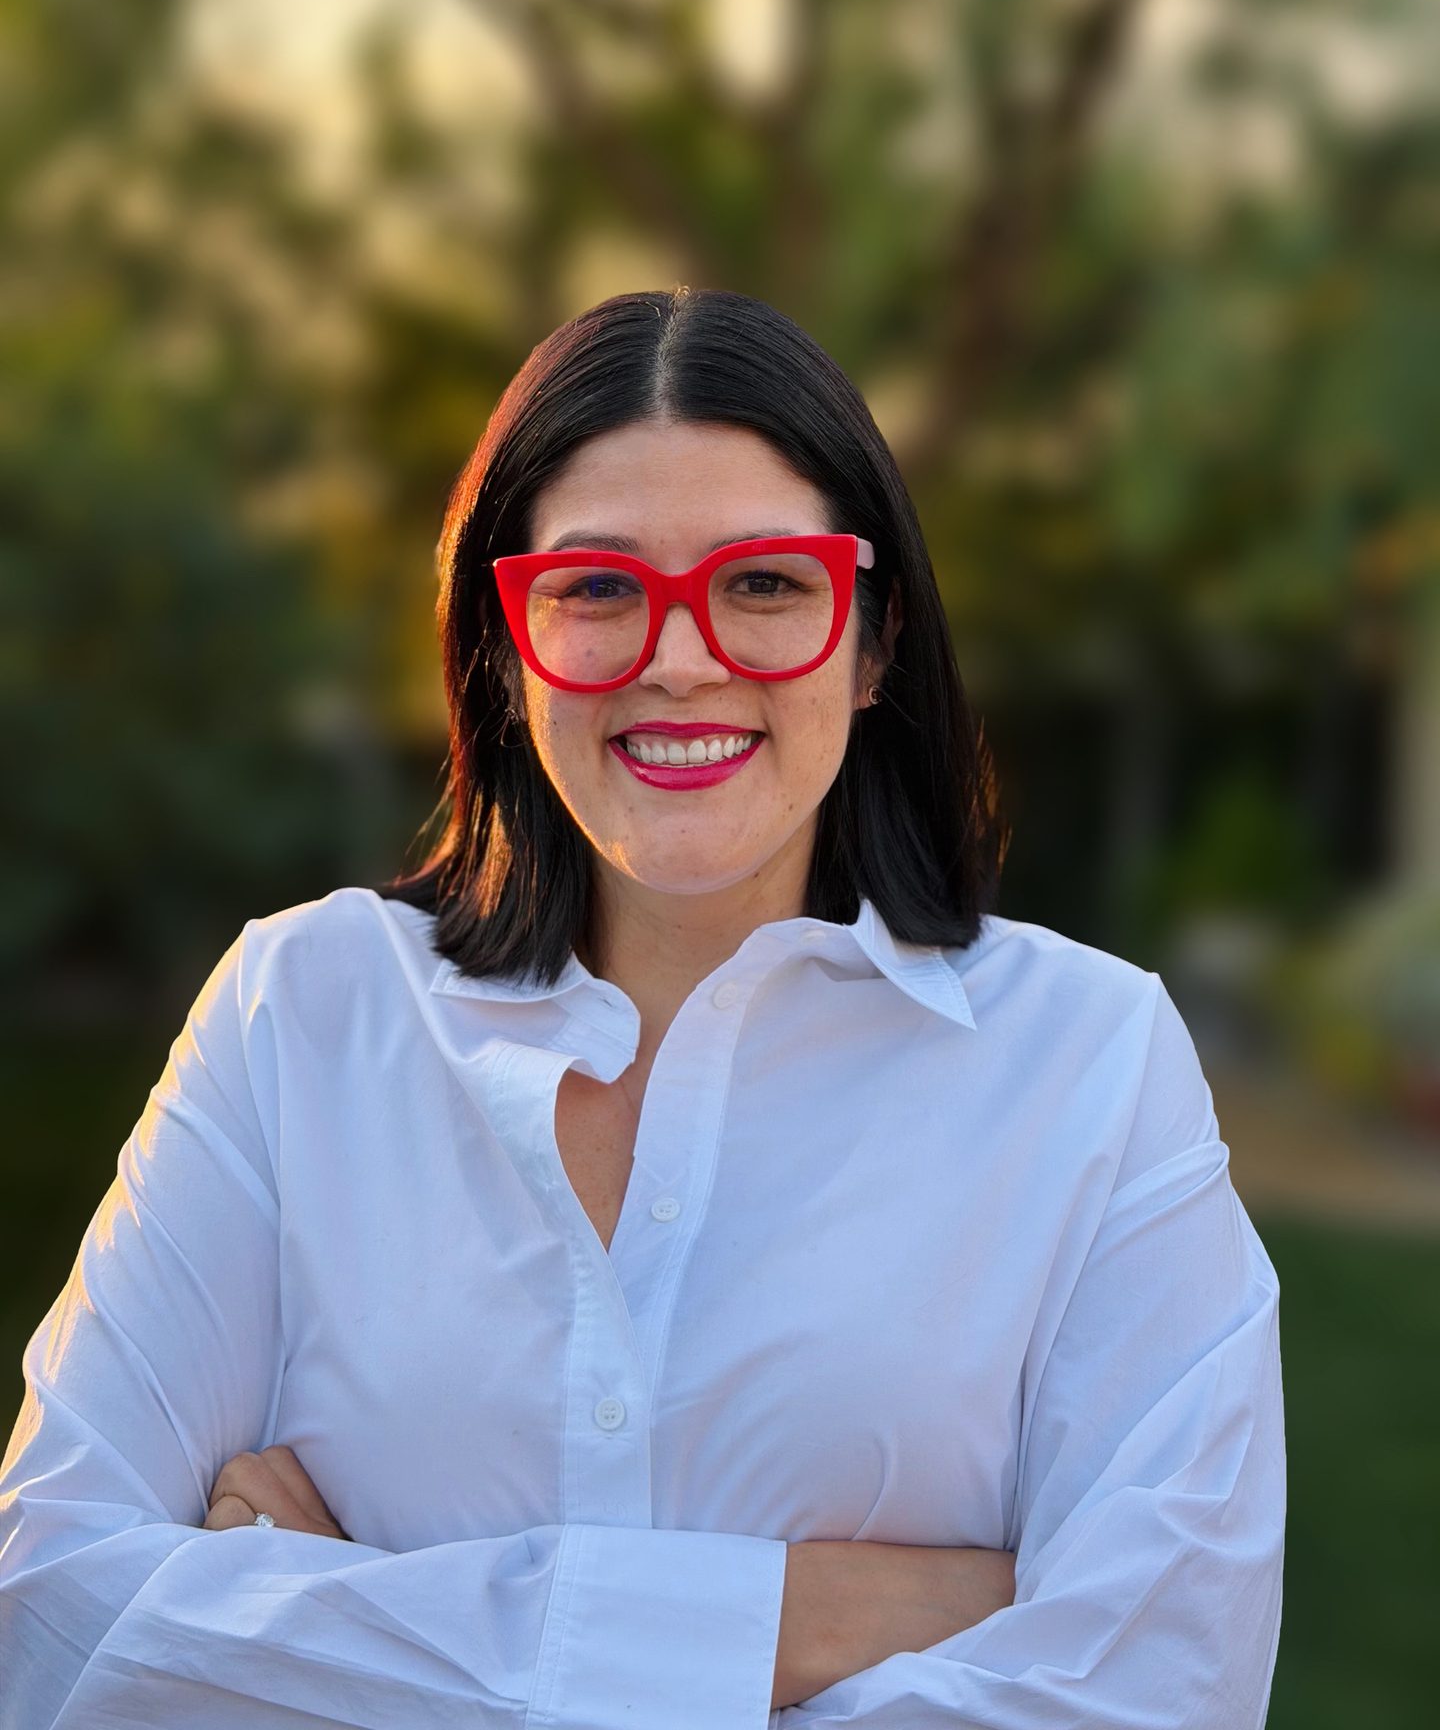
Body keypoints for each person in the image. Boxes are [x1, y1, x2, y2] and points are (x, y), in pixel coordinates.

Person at [0, 287, 1285, 1728]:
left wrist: (340, 1623)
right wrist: (814, 1621)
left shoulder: (1093, 1066)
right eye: (599, 588)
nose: (680, 656)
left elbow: (1159, 1690)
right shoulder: (298, 1016)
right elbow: (52, 1618)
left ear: (874, 648)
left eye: (767, 585)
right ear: (504, 645)